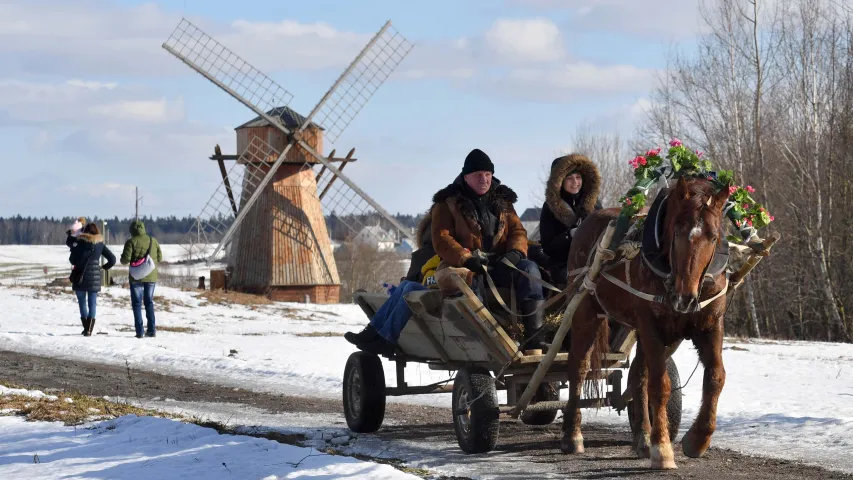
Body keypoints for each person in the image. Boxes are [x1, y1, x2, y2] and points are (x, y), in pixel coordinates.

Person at [430, 148, 547, 354]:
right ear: (466, 177)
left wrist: (515, 253)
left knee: (530, 270)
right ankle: (489, 341)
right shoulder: (447, 202)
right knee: (468, 282)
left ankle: (534, 339)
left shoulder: (503, 200)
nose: (483, 179)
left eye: (487, 175)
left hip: (501, 263)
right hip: (467, 265)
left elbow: (518, 231)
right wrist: (465, 258)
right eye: (478, 175)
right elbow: (442, 238)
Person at [344, 216, 439, 355]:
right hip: (435, 288)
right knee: (407, 285)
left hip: (441, 292)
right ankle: (373, 331)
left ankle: (385, 339)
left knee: (409, 287)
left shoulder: (425, 255)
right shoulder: (432, 256)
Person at [539, 154, 602, 286]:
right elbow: (548, 246)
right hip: (563, 264)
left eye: (578, 177)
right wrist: (570, 235)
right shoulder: (550, 207)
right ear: (559, 181)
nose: (575, 183)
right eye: (569, 178)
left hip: (593, 260)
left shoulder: (594, 204)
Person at [68, 222, 116, 336]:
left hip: (79, 277)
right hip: (94, 278)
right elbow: (112, 259)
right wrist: (103, 267)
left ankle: (86, 328)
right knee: (92, 303)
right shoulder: (100, 245)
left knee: (82, 302)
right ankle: (89, 329)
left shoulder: (78, 243)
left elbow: (72, 261)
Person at [120, 219, 163, 338]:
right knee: (149, 302)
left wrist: (124, 258)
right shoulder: (153, 240)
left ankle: (140, 332)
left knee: (137, 304)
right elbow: (160, 257)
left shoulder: (131, 242)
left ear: (132, 230)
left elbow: (125, 260)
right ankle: (152, 330)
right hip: (151, 276)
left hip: (136, 277)